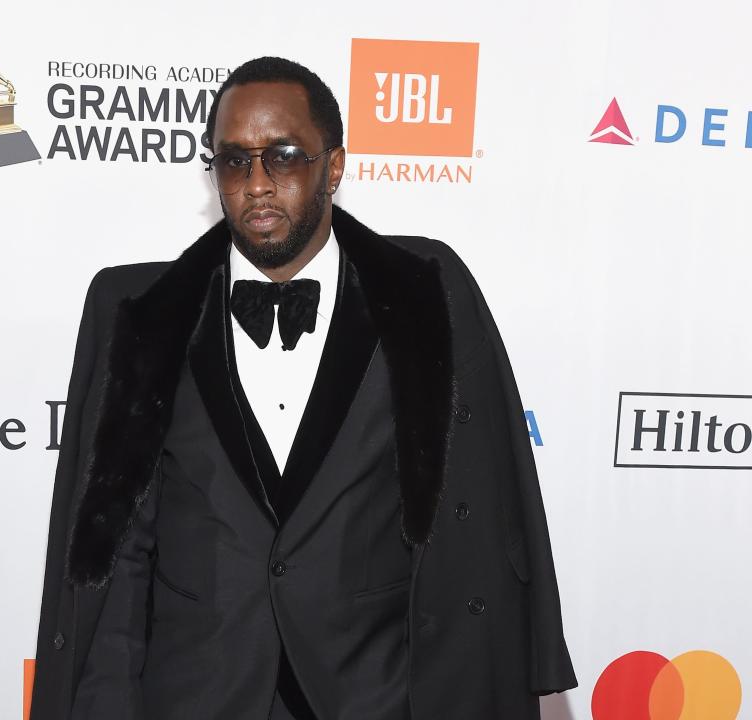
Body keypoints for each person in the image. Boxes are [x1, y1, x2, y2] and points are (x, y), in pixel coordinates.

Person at [29, 56, 577, 720]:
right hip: (198, 697)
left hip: (371, 698)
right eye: (234, 162)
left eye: (283, 157)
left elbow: (487, 515)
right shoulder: (139, 313)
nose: (257, 184)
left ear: (334, 167)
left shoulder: (424, 294)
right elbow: (113, 559)